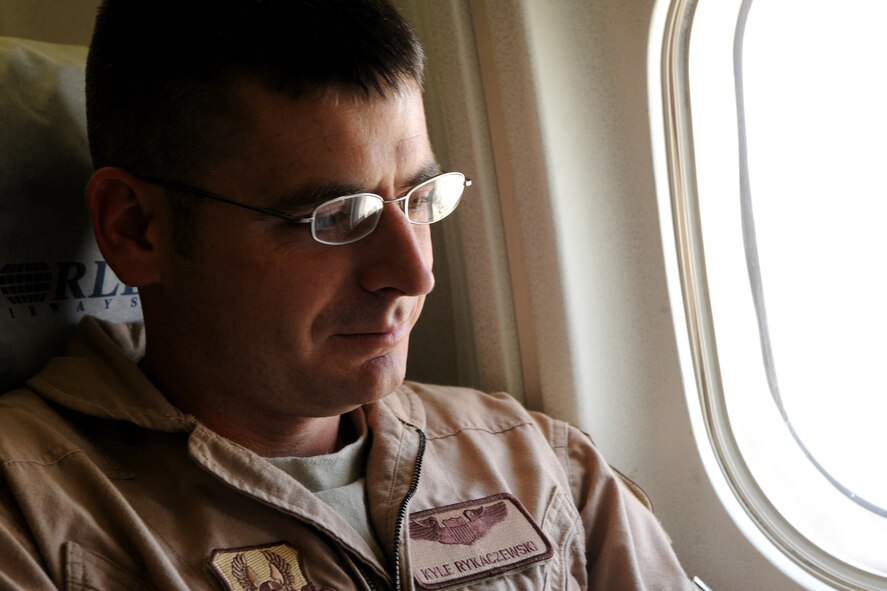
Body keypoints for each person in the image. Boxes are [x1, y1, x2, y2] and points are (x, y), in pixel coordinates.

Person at [0, 1, 700, 589]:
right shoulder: (30, 518)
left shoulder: (540, 463)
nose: (414, 274)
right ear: (136, 228)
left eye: (420, 198)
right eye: (334, 216)